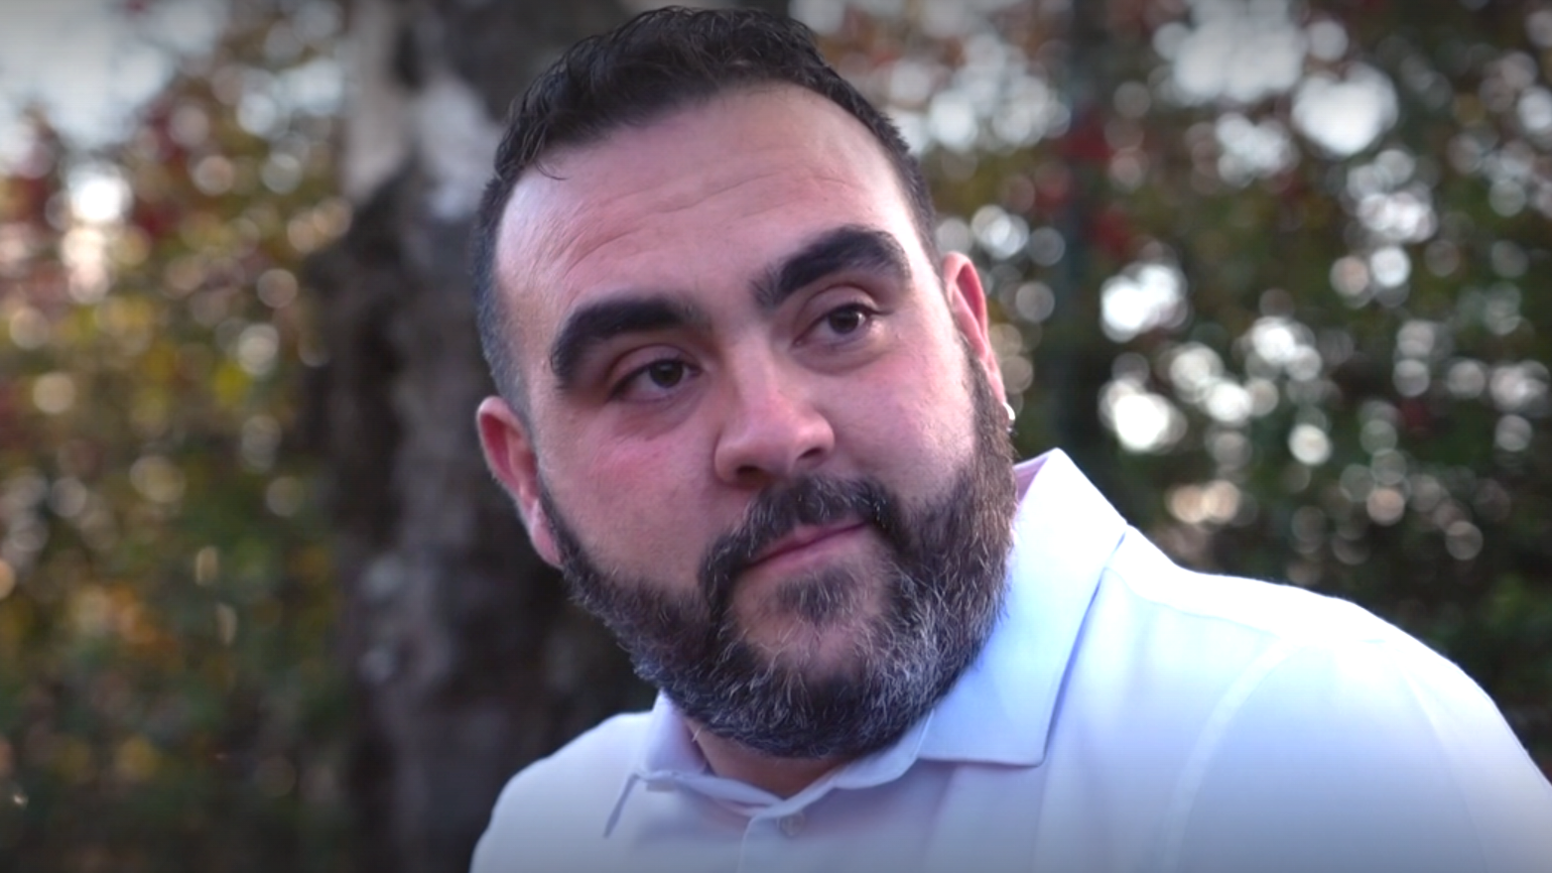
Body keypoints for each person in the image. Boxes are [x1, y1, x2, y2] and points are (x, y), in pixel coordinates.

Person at [466, 7, 1552, 872]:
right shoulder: (549, 830)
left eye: (841, 318)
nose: (776, 431)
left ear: (974, 342)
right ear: (528, 482)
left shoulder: (1320, 749)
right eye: (654, 374)